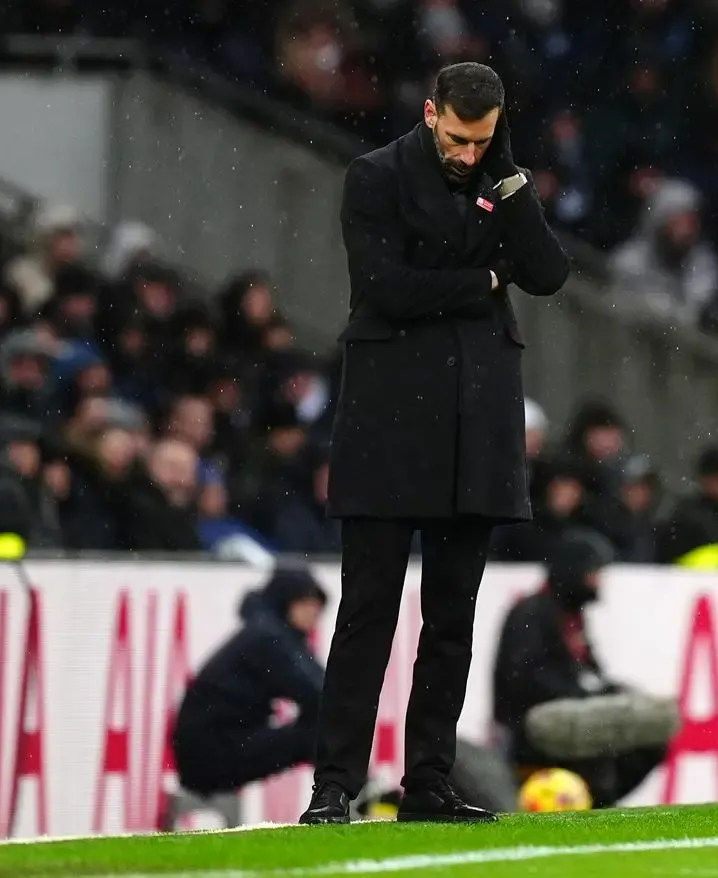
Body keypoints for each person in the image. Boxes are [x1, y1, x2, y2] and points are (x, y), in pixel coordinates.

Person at [301, 61, 570, 826]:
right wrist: (485, 281)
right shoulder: (374, 176)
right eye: (456, 138)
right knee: (367, 617)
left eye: (482, 141)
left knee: (451, 623)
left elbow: (549, 273)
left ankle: (430, 782)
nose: (467, 154)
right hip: (390, 423)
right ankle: (334, 786)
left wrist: (511, 177)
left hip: (476, 427)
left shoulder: (499, 178)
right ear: (429, 114)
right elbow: (384, 287)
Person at [492, 530, 677, 808]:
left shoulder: (570, 616)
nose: (598, 582)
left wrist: (609, 691)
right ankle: (599, 800)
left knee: (649, 731)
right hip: (532, 733)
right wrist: (583, 694)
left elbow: (589, 673)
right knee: (608, 736)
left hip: (571, 720)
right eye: (594, 572)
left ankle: (600, 799)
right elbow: (523, 682)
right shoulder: (532, 613)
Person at [172, 567, 328, 799]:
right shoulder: (267, 638)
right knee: (317, 734)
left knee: (321, 727)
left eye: (316, 604)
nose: (314, 611)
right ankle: (356, 798)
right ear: (285, 602)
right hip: (210, 755)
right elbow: (316, 693)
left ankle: (352, 793)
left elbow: (319, 691)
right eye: (305, 602)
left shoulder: (269, 632)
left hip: (211, 748)